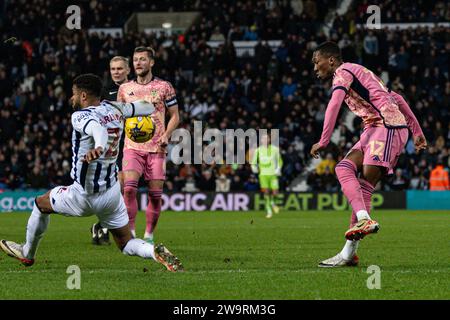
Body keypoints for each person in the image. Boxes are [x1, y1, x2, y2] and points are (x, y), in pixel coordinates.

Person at [0, 74, 183, 272]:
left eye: (74, 94)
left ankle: (27, 253)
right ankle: (153, 252)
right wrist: (148, 104)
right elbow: (147, 107)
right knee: (125, 243)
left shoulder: (81, 115)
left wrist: (99, 146)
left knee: (40, 204)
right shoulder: (116, 108)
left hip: (83, 195)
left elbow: (98, 130)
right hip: (111, 193)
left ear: (84, 96)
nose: (72, 98)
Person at [310, 42, 427, 267]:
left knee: (365, 182)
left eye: (317, 61)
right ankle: (351, 248)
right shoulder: (362, 72)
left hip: (387, 127)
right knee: (343, 168)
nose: (315, 67)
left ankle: (352, 243)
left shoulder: (342, 72)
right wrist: (417, 132)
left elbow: (334, 105)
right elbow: (398, 98)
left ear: (331, 60)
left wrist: (324, 140)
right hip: (373, 127)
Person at [118, 47, 180, 244]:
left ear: (151, 62)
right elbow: (119, 118)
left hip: (157, 149)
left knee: (155, 195)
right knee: (128, 189)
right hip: (132, 147)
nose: (138, 63)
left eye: (142, 59)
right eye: (135, 59)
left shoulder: (164, 87)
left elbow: (175, 116)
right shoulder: (124, 89)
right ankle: (132, 233)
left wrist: (167, 134)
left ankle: (150, 235)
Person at [91, 56, 131, 246]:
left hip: (131, 142)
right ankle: (105, 225)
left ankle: (105, 225)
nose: (116, 72)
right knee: (118, 185)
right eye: (113, 69)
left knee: (126, 187)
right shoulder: (105, 93)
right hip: (111, 144)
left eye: (120, 68)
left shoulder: (135, 91)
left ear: (127, 70)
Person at [251, 134, 283, 218]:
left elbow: (280, 161)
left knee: (275, 192)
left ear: (269, 140)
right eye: (263, 139)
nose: (265, 140)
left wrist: (278, 169)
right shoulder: (258, 150)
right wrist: (254, 167)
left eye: (267, 138)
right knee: (266, 192)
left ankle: (272, 202)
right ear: (261, 141)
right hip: (263, 175)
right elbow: (253, 162)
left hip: (273, 174)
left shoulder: (275, 149)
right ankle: (269, 211)